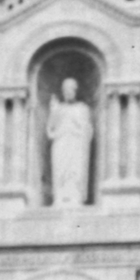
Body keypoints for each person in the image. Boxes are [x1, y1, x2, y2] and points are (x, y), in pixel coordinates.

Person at [46, 78, 93, 207]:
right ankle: (60, 197)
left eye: (71, 89)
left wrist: (80, 132)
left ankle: (75, 197)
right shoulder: (59, 108)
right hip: (60, 143)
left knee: (75, 170)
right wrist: (54, 110)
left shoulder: (83, 108)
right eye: (65, 89)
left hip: (77, 144)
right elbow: (50, 128)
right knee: (60, 171)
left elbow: (87, 129)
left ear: (76, 91)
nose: (68, 92)